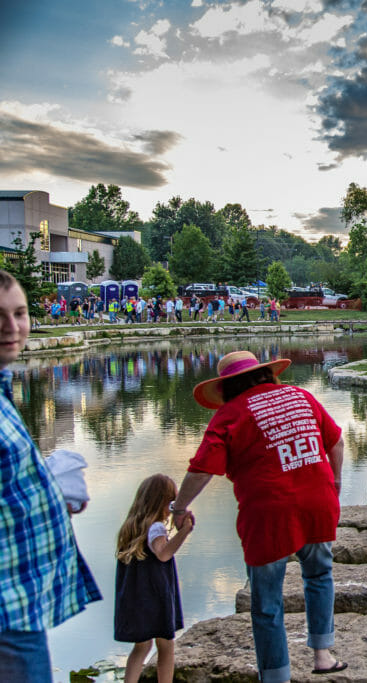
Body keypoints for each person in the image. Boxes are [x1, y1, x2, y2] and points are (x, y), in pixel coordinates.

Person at [171, 351, 347, 682]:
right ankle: (322, 656)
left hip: (268, 513)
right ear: (265, 374)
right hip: (317, 502)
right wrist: (334, 483)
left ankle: (276, 676)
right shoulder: (301, 396)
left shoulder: (230, 414)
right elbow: (335, 442)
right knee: (319, 576)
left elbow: (201, 470)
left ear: (226, 387)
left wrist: (179, 507)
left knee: (267, 602)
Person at [0, 270, 101, 681]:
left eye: (20, 313)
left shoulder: (4, 393)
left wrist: (47, 496)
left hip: (22, 601)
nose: (12, 327)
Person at [115, 474, 194, 683]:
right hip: (155, 598)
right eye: (172, 503)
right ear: (162, 502)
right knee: (166, 646)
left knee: (141, 647)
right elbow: (163, 553)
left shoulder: (132, 527)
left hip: (136, 599)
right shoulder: (156, 527)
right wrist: (185, 531)